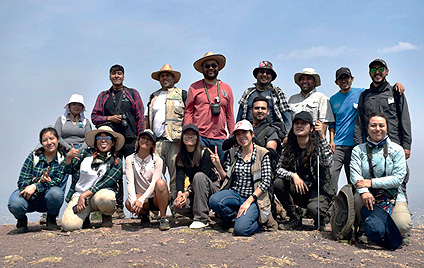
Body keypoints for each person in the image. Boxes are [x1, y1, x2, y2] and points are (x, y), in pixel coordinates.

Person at [329, 67, 404, 191]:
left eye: (346, 78)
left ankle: (353, 207)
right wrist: (331, 140)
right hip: (337, 145)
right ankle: (331, 206)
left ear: (352, 79)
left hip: (355, 144)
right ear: (336, 82)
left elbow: (378, 90)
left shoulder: (362, 93)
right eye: (340, 79)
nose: (344, 81)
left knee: (353, 179)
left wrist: (396, 85)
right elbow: (332, 123)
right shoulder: (332, 99)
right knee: (331, 175)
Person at [350, 112, 412, 246]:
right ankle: (363, 229)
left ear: (387, 128)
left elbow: (397, 179)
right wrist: (365, 191)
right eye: (373, 125)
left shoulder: (397, 150)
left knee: (403, 225)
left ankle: (392, 231)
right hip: (368, 195)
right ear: (367, 128)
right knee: (357, 199)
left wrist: (371, 182)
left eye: (381, 125)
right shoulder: (357, 150)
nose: (377, 129)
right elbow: (355, 175)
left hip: (392, 196)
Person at [91, 64, 145, 219]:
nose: (116, 76)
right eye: (114, 74)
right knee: (114, 173)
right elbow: (94, 117)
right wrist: (109, 118)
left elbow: (140, 116)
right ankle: (118, 207)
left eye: (119, 74)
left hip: (130, 138)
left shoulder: (132, 94)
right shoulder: (103, 96)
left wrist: (139, 138)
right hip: (111, 140)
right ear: (109, 76)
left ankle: (140, 206)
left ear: (123, 76)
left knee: (135, 173)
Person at [354, 59, 411, 198]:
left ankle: (400, 213)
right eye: (373, 70)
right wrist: (358, 145)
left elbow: (404, 118)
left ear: (387, 71)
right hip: (371, 146)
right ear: (369, 73)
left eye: (380, 69)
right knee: (371, 176)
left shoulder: (396, 92)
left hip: (394, 144)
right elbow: (359, 122)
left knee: (399, 179)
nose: (377, 72)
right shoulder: (365, 95)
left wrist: (406, 145)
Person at [209, 120, 274, 236]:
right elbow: (227, 179)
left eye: (244, 132)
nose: (241, 136)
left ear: (252, 134)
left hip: (254, 199)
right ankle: (235, 219)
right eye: (238, 134)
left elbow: (266, 182)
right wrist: (218, 166)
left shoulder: (262, 153)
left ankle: (261, 222)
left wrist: (249, 201)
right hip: (236, 195)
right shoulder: (232, 153)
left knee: (241, 230)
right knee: (214, 200)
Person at [274, 112, 335, 230]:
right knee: (277, 182)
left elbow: (328, 162)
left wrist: (322, 136)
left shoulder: (318, 145)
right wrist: (293, 176)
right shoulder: (289, 147)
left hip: (317, 191)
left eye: (304, 124)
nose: (299, 126)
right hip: (299, 189)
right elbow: (277, 170)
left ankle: (320, 217)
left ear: (311, 128)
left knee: (314, 210)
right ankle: (294, 217)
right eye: (297, 123)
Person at [37, 94, 92, 225]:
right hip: (63, 152)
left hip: (81, 154)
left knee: (79, 183)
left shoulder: (85, 122)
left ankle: (81, 214)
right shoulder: (61, 120)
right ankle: (50, 213)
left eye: (79, 105)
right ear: (69, 106)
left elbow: (89, 137)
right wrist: (69, 150)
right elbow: (57, 136)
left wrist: (80, 150)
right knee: (59, 182)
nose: (76, 107)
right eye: (74, 104)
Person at [61, 126, 124, 231]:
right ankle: (84, 217)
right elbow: (68, 170)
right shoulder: (84, 154)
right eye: (99, 138)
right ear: (95, 142)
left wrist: (84, 195)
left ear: (113, 142)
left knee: (107, 197)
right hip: (79, 195)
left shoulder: (116, 162)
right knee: (68, 226)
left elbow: (105, 183)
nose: (103, 140)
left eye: (107, 137)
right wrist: (68, 158)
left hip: (96, 196)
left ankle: (107, 215)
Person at [8, 127, 67, 233]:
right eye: (45, 140)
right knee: (15, 203)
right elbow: (22, 180)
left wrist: (36, 185)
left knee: (57, 193)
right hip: (29, 196)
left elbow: (56, 181)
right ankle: (21, 220)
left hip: (46, 197)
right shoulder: (34, 156)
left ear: (58, 139)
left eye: (52, 138)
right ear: (41, 143)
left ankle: (51, 219)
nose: (49, 143)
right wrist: (34, 183)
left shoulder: (62, 159)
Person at [184, 52, 235, 164]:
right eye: (207, 66)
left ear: (218, 68)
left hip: (220, 138)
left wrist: (233, 136)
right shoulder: (194, 87)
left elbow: (230, 114)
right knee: (199, 168)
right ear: (202, 69)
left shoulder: (227, 88)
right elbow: (188, 111)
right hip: (200, 137)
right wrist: (187, 133)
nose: (210, 68)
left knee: (221, 170)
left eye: (214, 65)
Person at [145, 64, 186, 200]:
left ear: (174, 78)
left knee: (176, 177)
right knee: (155, 177)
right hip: (157, 142)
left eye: (168, 75)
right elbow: (147, 119)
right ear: (159, 79)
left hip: (176, 141)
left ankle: (177, 208)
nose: (165, 78)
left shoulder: (182, 95)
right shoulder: (153, 97)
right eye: (162, 76)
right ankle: (156, 210)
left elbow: (188, 117)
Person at [172, 124, 220, 229]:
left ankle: (201, 218)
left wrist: (187, 193)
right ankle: (200, 212)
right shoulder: (180, 156)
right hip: (196, 191)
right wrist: (180, 194)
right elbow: (179, 176)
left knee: (198, 176)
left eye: (193, 134)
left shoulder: (205, 153)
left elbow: (203, 177)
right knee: (177, 207)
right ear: (182, 137)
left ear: (198, 137)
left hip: (212, 188)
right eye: (187, 134)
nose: (190, 137)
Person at [125, 129, 170, 231]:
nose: (145, 141)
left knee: (161, 183)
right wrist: (134, 201)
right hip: (140, 198)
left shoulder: (157, 160)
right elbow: (130, 182)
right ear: (138, 140)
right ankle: (144, 215)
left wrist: (141, 200)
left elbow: (154, 183)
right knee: (128, 202)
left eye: (149, 140)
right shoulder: (130, 159)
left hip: (155, 198)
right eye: (143, 138)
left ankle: (163, 217)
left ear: (152, 145)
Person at [237, 60, 291, 136]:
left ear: (271, 77)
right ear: (257, 75)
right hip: (249, 133)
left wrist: (288, 135)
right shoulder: (248, 93)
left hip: (271, 133)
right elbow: (239, 117)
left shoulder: (277, 93)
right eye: (262, 72)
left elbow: (287, 116)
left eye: (268, 73)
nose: (264, 75)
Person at [289, 68, 334, 133]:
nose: (305, 81)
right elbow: (288, 122)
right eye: (302, 79)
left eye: (308, 79)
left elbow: (324, 123)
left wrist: (321, 140)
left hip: (313, 139)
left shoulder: (322, 98)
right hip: (294, 139)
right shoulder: (292, 99)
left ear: (314, 82)